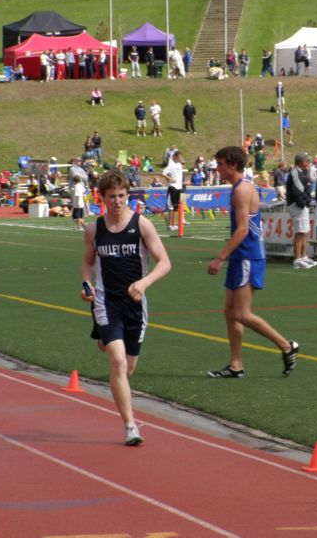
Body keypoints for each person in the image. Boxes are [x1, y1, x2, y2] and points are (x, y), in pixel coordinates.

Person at [80, 170, 171, 445]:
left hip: (135, 305)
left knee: (127, 369)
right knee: (118, 361)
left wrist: (144, 283)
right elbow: (87, 263)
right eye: (112, 197)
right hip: (107, 302)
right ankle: (131, 426)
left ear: (127, 195)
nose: (117, 201)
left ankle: (108, 340)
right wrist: (86, 284)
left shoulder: (141, 225)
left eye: (121, 196)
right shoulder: (94, 229)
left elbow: (165, 262)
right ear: (103, 198)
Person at [206, 146, 300, 378]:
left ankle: (287, 346)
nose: (217, 169)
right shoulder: (240, 187)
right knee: (230, 311)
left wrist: (220, 257)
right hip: (242, 255)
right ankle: (236, 365)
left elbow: (243, 229)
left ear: (233, 165)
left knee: (242, 313)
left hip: (247, 255)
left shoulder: (241, 190)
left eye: (220, 164)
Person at [286, 153, 317, 269]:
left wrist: (306, 201)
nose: (309, 163)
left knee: (304, 231)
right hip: (298, 206)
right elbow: (298, 191)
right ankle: (297, 258)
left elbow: (304, 190)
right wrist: (304, 202)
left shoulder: (300, 172)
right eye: (307, 161)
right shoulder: (295, 172)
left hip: (302, 205)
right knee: (300, 232)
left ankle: (303, 256)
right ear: (301, 162)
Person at [163, 150, 183, 231]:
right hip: (173, 187)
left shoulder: (179, 164)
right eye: (179, 157)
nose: (180, 158)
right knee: (171, 207)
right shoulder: (171, 164)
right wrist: (170, 179)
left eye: (181, 157)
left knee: (175, 207)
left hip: (178, 187)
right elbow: (163, 173)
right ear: (175, 156)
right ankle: (170, 225)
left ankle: (173, 224)